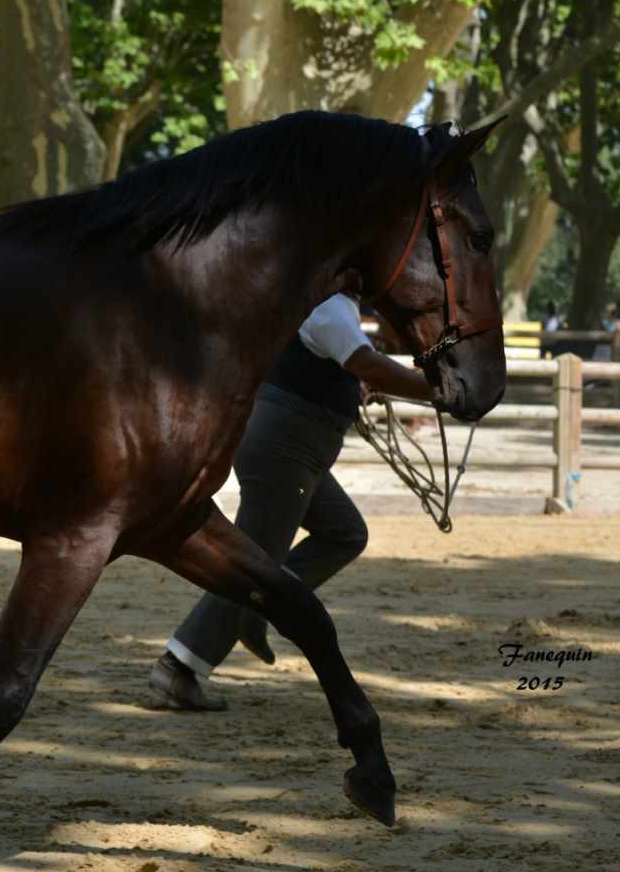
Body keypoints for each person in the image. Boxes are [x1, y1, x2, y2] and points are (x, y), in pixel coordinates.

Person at [149, 293, 435, 711]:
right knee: (251, 568)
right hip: (287, 450)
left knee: (344, 533)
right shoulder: (329, 304)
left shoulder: (334, 308)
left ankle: (260, 609)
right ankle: (179, 668)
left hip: (299, 451)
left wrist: (352, 386)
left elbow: (350, 366)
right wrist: (433, 389)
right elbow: (366, 363)